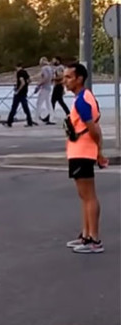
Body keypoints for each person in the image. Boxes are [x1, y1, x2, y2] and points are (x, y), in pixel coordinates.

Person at [63, 63, 107, 254]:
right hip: (79, 151)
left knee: (89, 197)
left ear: (79, 78)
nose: (65, 81)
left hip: (83, 151)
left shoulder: (82, 101)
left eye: (68, 77)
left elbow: (94, 129)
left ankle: (94, 239)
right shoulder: (83, 97)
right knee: (84, 197)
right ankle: (86, 234)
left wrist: (99, 152)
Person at [4, 63, 35, 128]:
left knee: (14, 107)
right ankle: (30, 121)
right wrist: (26, 86)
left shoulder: (19, 73)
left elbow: (22, 82)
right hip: (24, 92)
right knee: (26, 108)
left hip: (19, 93)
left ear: (16, 67)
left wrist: (18, 90)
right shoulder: (25, 72)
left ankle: (9, 122)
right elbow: (29, 80)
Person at [34, 57, 56, 125]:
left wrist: (39, 85)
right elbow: (52, 77)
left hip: (44, 88)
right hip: (49, 87)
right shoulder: (50, 68)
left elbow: (45, 77)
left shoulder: (44, 68)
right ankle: (51, 118)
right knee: (48, 104)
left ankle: (36, 119)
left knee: (39, 103)